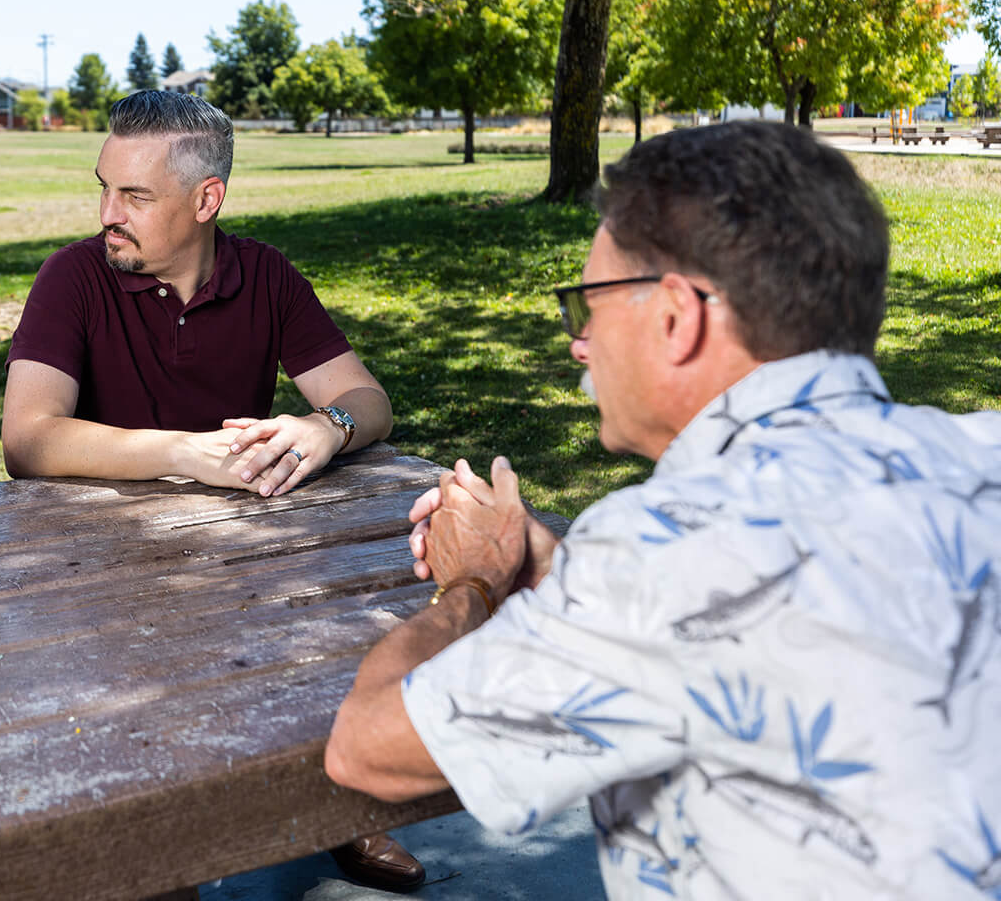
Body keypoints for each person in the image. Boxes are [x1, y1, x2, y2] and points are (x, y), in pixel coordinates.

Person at [324, 121, 1001, 898]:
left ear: (676, 316)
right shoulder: (983, 457)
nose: (579, 345)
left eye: (587, 306)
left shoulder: (664, 553)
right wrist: (558, 572)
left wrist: (471, 587)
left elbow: (364, 750)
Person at [2, 89, 422, 891]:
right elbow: (28, 438)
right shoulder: (72, 278)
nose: (106, 213)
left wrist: (324, 428)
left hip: (244, 553)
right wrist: (185, 454)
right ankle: (163, 852)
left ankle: (347, 807)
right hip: (98, 566)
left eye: (133, 196)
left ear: (207, 199)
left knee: (337, 612)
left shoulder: (264, 274)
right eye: (103, 187)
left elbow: (371, 402)